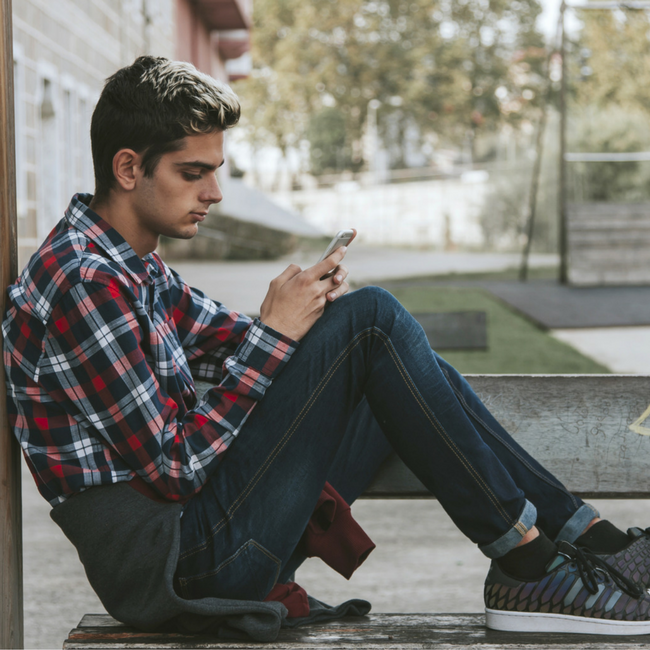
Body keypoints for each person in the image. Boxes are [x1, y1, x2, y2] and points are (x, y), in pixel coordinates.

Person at [4, 55, 650, 640]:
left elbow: (241, 345)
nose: (214, 193)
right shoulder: (83, 279)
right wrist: (287, 333)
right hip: (182, 564)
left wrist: (309, 311)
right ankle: (530, 561)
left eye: (216, 172)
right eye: (192, 173)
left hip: (209, 537)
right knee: (373, 322)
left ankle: (589, 541)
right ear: (127, 167)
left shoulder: (134, 269)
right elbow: (174, 469)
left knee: (375, 339)